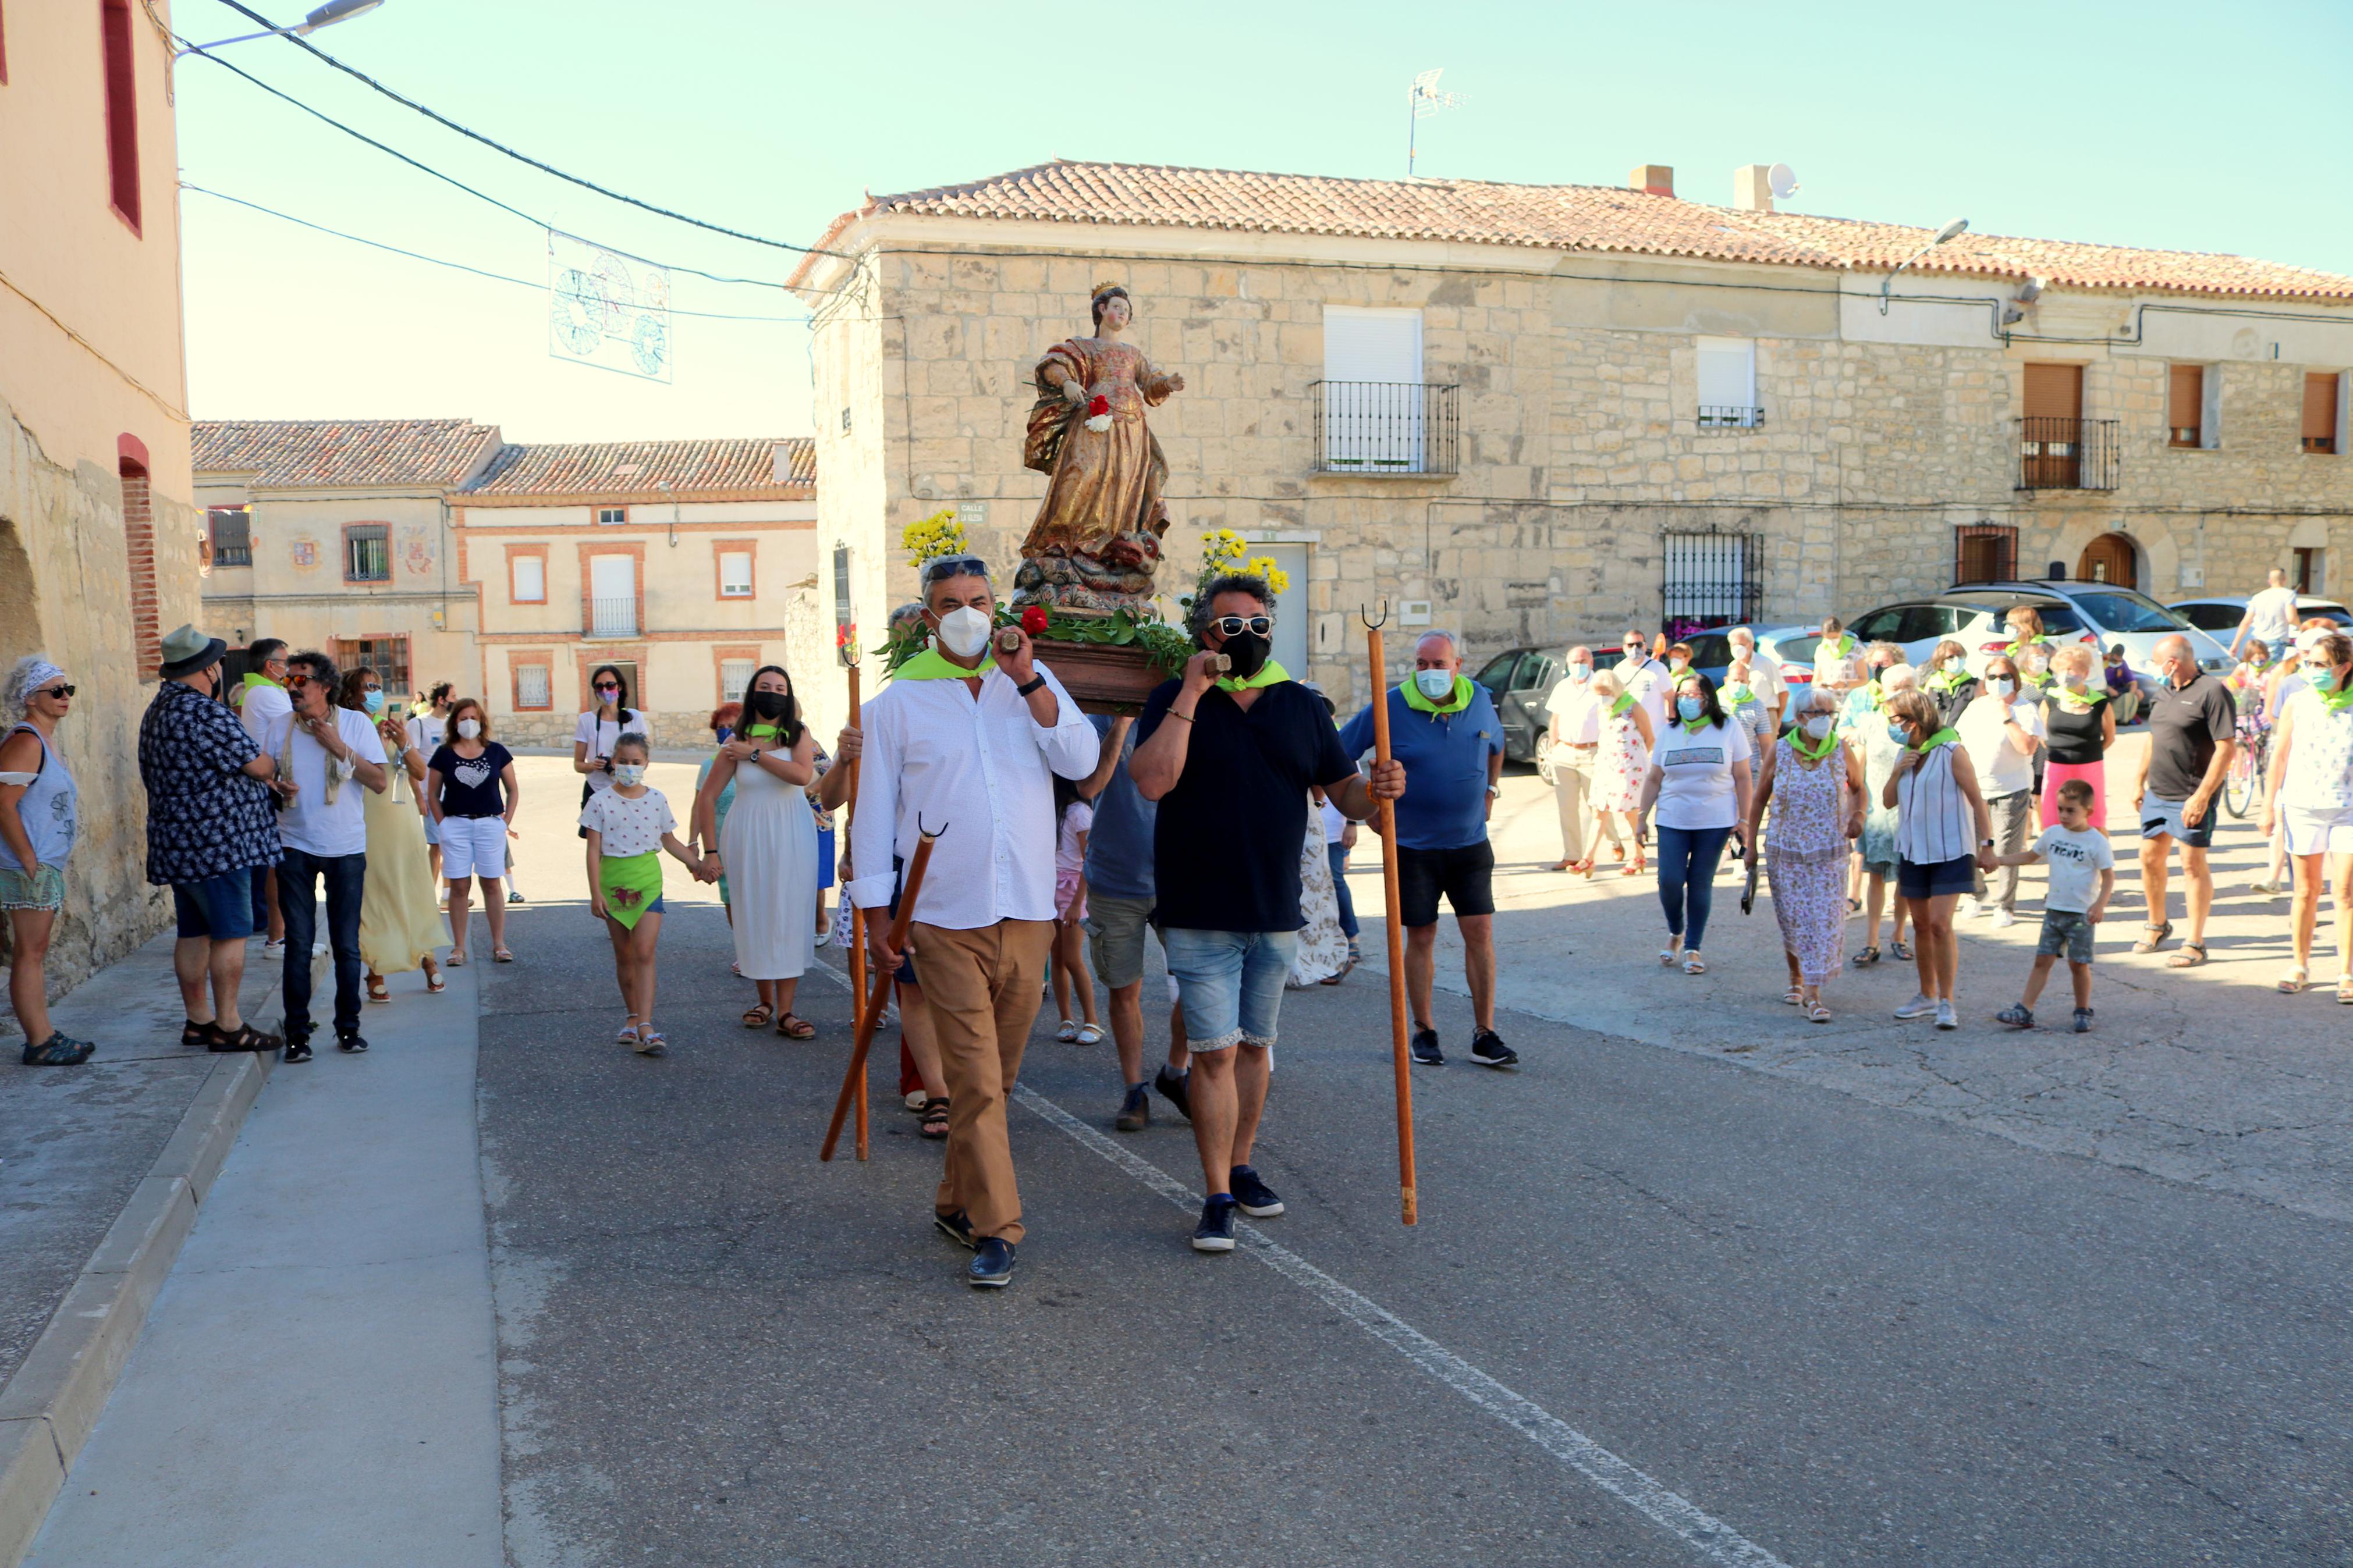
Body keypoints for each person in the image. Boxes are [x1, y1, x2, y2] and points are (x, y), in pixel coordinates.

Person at [1131, 573, 1401, 1254]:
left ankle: (1241, 1162)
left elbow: (1347, 794)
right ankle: (1217, 1192)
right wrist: (1192, 690)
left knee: (1255, 1047)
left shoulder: (1300, 706)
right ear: (1204, 634)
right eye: (1230, 625)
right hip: (1197, 911)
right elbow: (1153, 780)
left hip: (1274, 910)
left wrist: (1379, 793)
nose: (1244, 637)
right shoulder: (1170, 698)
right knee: (1214, 1055)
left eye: (1256, 625)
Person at [850, 554, 1099, 1289]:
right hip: (942, 916)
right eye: (950, 602)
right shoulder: (896, 706)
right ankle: (998, 1229)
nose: (967, 612)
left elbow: (1081, 759)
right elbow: (870, 819)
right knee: (976, 1083)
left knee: (999, 1077)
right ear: (929, 618)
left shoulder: (1032, 682)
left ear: (998, 608)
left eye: (979, 599)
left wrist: (1027, 681)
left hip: (1027, 911)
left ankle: (955, 1200)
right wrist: (876, 922)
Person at [1339, 629, 1511, 1068]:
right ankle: (1424, 1030)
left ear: (1458, 665)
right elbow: (1338, 752)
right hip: (1411, 848)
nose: (1430, 672)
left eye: (1438, 664)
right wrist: (1366, 809)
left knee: (1480, 935)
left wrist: (1491, 790)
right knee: (1422, 936)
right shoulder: (1390, 705)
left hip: (1470, 844)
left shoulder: (1480, 701)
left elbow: (1497, 744)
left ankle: (1484, 1033)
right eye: (1421, 664)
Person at [137, 625, 283, 1055]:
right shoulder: (204, 711)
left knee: (193, 931)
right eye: (217, 662)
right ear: (206, 669)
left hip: (177, 841)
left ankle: (199, 1021)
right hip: (216, 844)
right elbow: (257, 765)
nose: (220, 668)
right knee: (232, 933)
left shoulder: (159, 708)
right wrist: (276, 759)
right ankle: (229, 1025)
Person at [698, 666, 853, 1039]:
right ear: (754, 692)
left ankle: (786, 1010)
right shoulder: (736, 739)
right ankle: (763, 1001)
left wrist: (753, 755)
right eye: (765, 687)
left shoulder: (796, 733)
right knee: (754, 913)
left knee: (788, 913)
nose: (773, 693)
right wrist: (710, 851)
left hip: (791, 831)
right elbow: (707, 796)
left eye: (780, 688)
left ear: (788, 695)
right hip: (746, 833)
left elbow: (801, 776)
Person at [258, 652, 389, 1060]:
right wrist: (276, 787)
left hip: (345, 847)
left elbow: (380, 782)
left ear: (325, 686)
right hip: (294, 844)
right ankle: (297, 1036)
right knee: (299, 943)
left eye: (302, 681)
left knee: (346, 944)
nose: (293, 688)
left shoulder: (354, 724)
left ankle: (348, 1030)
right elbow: (263, 779)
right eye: (288, 681)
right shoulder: (279, 727)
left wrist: (339, 748)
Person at [1080, 712, 1194, 1133]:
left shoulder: (1181, 715)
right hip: (1114, 879)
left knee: (1198, 983)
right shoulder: (1095, 721)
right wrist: (1122, 722)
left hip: (1177, 877)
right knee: (1124, 990)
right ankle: (1134, 1088)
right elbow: (1089, 785)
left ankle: (1175, 1071)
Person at [582, 731, 707, 1053]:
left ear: (647, 764)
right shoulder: (599, 802)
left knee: (644, 953)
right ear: (613, 761)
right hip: (613, 885)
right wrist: (596, 893)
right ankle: (633, 1015)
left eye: (636, 762)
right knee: (624, 956)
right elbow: (592, 850)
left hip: (648, 882)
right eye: (623, 761)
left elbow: (670, 840)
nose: (629, 767)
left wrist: (699, 866)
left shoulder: (657, 799)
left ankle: (647, 1026)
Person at [1748, 686, 1864, 1021]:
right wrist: (1751, 847)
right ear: (1799, 718)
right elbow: (1759, 799)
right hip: (1786, 851)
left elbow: (1859, 789)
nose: (1825, 720)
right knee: (1795, 921)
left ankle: (1814, 994)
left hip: (1830, 852)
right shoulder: (1782, 751)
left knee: (1823, 921)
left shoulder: (1841, 750)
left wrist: (1858, 816)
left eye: (1830, 714)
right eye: (1818, 714)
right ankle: (1796, 977)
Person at [1883, 688, 1996, 1029]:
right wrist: (1897, 771)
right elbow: (1889, 801)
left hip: (1951, 849)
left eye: (1895, 720)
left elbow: (1978, 800)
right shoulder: (1905, 754)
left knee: (1940, 923)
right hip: (1914, 850)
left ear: (1913, 721)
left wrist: (1987, 844)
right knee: (1919, 925)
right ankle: (1926, 995)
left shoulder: (1951, 750)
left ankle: (1947, 1000)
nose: (1891, 726)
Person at [1635, 669, 1754, 975]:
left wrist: (1745, 820)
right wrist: (1641, 817)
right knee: (1670, 880)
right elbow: (1654, 778)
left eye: (1693, 695)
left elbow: (1743, 777)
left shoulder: (1728, 727)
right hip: (1673, 817)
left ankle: (1693, 946)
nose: (1686, 700)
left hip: (1715, 820)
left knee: (1700, 883)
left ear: (1707, 699)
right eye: (1682, 695)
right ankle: (1676, 930)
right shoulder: (1669, 732)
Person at [1, 657, 91, 1064]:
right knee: (30, 952)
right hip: (28, 867)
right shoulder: (27, 740)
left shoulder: (43, 738)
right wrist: (28, 858)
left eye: (67, 689)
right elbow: (3, 803)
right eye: (55, 691)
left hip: (42, 863)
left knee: (35, 951)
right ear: (30, 698)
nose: (64, 697)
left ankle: (45, 1034)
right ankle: (39, 1041)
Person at [340, 667, 447, 1003]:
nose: (374, 692)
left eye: (377, 686)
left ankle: (427, 957)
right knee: (377, 891)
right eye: (367, 687)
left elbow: (418, 772)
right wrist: (377, 743)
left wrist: (403, 743)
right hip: (368, 819)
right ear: (350, 694)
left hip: (402, 819)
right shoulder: (345, 726)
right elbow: (345, 772)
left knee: (414, 886)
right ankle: (376, 969)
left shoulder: (392, 728)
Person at [2130, 635, 2236, 968]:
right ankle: (2157, 925)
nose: (2154, 667)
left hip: (2191, 795)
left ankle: (2195, 941)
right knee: (2149, 858)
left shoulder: (2212, 691)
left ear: (2172, 662)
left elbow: (2227, 748)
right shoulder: (2165, 691)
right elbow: (2153, 736)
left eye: (2156, 661)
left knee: (2192, 865)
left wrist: (2202, 796)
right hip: (2157, 793)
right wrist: (2138, 780)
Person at [2260, 629, 2353, 999]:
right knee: (2305, 891)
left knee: (2345, 892)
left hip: (2347, 810)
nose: (2311, 670)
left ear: (2345, 668)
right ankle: (2300, 964)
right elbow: (2279, 755)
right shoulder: (2298, 702)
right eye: (2308, 663)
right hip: (2302, 808)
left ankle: (2346, 971)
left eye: (2320, 664)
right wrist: (2269, 806)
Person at [1992, 778, 2117, 1033]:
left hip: (2081, 914)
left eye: (2071, 811)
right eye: (2060, 809)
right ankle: (2024, 1010)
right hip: (2054, 910)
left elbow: (2109, 876)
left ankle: (2082, 1010)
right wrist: (1999, 861)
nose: (2064, 815)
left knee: (2078, 964)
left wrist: (2100, 905)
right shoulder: (2052, 834)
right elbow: (2029, 856)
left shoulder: (2097, 842)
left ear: (2088, 812)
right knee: (2042, 961)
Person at [427, 699, 520, 966]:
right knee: (458, 886)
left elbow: (513, 789)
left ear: (482, 721)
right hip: (455, 825)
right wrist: (442, 823)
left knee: (492, 883)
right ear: (455, 722)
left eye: (474, 717)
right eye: (463, 717)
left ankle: (499, 944)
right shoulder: (444, 754)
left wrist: (505, 821)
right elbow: (432, 793)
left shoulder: (496, 752)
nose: (469, 722)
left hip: (490, 824)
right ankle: (458, 947)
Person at [1958, 656, 2043, 927]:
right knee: (1972, 845)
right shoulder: (1975, 707)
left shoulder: (2025, 708)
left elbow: (2028, 748)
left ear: (2015, 680)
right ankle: (1976, 893)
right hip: (1976, 789)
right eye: (1992, 677)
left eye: (2004, 677)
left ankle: (2005, 904)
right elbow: (1958, 743)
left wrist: (2007, 719)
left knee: (2006, 850)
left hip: (2011, 789)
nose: (1998, 682)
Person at [1850, 662, 1917, 966]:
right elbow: (1857, 770)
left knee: (1906, 876)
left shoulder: (1922, 723)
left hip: (1911, 810)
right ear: (1884, 690)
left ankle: (1899, 935)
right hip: (1878, 810)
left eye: (1907, 686)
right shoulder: (1872, 721)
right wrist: (1855, 808)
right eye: (1895, 687)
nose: (1902, 692)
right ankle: (1871, 941)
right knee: (1875, 875)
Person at [238, 637, 293, 952]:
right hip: (269, 783)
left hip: (270, 781)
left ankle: (274, 930)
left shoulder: (267, 690)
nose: (288, 669)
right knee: (274, 864)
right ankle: (273, 932)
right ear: (270, 665)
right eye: (285, 662)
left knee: (272, 864)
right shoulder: (264, 693)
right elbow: (297, 726)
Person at [1047, 771, 1103, 1044]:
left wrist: (1077, 903)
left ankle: (1092, 1021)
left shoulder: (1080, 812)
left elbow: (1088, 860)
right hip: (1050, 886)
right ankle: (1065, 1019)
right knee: (1055, 958)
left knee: (1072, 958)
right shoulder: (1052, 810)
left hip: (1073, 890)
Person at [2040, 644, 2116, 832]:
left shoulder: (2100, 702)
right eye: (2062, 670)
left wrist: (2086, 752)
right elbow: (2042, 735)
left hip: (2090, 766)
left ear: (2085, 672)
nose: (2066, 674)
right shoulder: (2050, 699)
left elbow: (2110, 737)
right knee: (2053, 818)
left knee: (2094, 818)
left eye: (2071, 669)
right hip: (2056, 765)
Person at [1585, 667, 1653, 875]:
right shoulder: (1602, 709)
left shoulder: (1633, 708)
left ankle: (1638, 855)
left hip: (1630, 770)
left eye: (1606, 693)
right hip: (1607, 766)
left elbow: (1649, 737)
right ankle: (1588, 858)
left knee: (1631, 814)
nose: (1603, 698)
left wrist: (1634, 760)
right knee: (1599, 810)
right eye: (1599, 694)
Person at [1543, 646, 1603, 871]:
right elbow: (1555, 719)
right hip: (1566, 752)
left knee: (1597, 805)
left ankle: (1614, 841)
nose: (1579, 666)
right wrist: (1555, 746)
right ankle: (1573, 854)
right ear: (1568, 665)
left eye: (1583, 661)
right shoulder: (1562, 687)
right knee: (1567, 807)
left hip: (1593, 752)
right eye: (1574, 662)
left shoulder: (1600, 685)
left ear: (1591, 663)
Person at [573, 664, 641, 838]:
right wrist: (593, 766)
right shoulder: (586, 720)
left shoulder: (634, 718)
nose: (605, 690)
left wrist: (625, 767)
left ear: (619, 686)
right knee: (597, 847)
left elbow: (645, 758)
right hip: (596, 791)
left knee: (629, 840)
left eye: (610, 685)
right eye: (599, 686)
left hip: (628, 790)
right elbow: (578, 765)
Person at [691, 702, 744, 920]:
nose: (725, 730)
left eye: (731, 725)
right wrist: (694, 842)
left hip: (748, 841)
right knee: (731, 899)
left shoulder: (751, 761)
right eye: (721, 726)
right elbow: (699, 807)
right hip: (722, 845)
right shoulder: (708, 766)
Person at [408, 682, 455, 890]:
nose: (456, 699)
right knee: (436, 847)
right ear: (442, 699)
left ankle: (447, 894)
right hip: (431, 796)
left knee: (451, 847)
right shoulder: (418, 725)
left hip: (454, 796)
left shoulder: (452, 725)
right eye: (453, 696)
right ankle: (428, 896)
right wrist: (419, 797)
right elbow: (411, 762)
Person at [2230, 567, 2304, 661]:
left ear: (2270, 581)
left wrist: (2235, 644)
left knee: (2260, 672)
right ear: (2284, 580)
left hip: (2259, 641)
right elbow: (2292, 618)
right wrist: (2302, 628)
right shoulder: (2288, 594)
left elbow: (2246, 622)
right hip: (2278, 640)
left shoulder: (2258, 597)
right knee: (2273, 672)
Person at [1726, 625, 1786, 732]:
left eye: (1741, 644)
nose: (1737, 648)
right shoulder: (1733, 666)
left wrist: (1778, 718)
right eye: (1734, 645)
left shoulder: (1766, 664)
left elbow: (1783, 693)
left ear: (1751, 645)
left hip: (1767, 714)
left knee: (1767, 748)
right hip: (1741, 715)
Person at [1617, 628, 1671, 733]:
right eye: (1630, 645)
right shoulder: (1619, 670)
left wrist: (1672, 724)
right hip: (1629, 735)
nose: (1635, 648)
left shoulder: (1658, 668)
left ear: (1645, 646)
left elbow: (1671, 698)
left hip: (1655, 732)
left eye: (1639, 644)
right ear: (1624, 647)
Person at [1922, 639, 1978, 727]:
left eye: (1960, 656)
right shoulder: (1932, 683)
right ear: (1941, 662)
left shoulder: (1974, 684)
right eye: (1951, 657)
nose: (1957, 660)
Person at [1722, 653, 1770, 752]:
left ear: (1749, 683)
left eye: (1743, 681)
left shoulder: (1758, 706)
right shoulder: (1716, 702)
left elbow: (1765, 742)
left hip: (1751, 765)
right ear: (1726, 681)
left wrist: (1767, 767)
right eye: (1735, 680)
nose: (1738, 684)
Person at [2001, 605, 2056, 692]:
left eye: (2012, 625)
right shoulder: (2014, 647)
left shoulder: (2042, 647)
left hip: (2038, 691)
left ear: (2025, 626)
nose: (2009, 628)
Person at [1813, 616, 1859, 695]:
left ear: (1841, 631)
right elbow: (1815, 681)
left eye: (1835, 638)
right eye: (1829, 638)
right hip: (1828, 699)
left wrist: (1845, 684)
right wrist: (1821, 685)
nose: (1832, 641)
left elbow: (1864, 680)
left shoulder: (1856, 648)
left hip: (1849, 699)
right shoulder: (1821, 649)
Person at [2103, 644, 2143, 726]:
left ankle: (2128, 716)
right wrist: (2108, 689)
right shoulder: (2102, 661)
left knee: (2139, 693)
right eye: (2115, 660)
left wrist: (2130, 696)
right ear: (2111, 655)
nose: (2117, 662)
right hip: (2104, 689)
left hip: (2118, 690)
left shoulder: (2122, 663)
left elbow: (2133, 682)